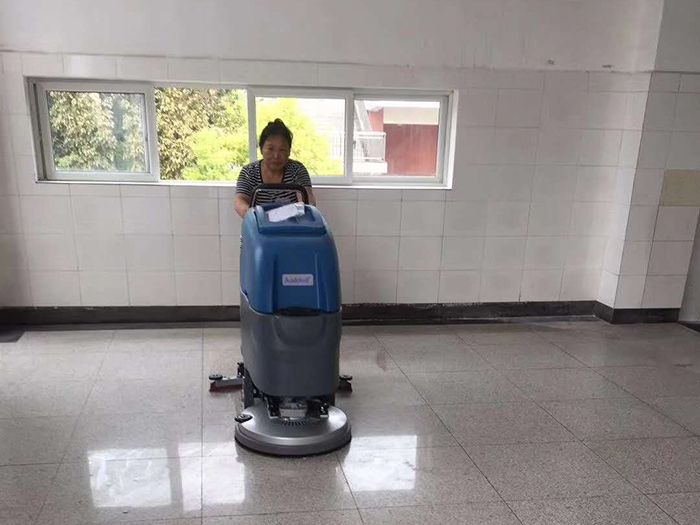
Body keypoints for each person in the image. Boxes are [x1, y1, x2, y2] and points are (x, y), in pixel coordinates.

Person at [234, 119, 316, 218]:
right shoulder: (249, 172)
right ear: (261, 149)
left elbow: (307, 200)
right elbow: (240, 201)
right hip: (259, 225)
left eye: (282, 150)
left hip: (292, 225)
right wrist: (253, 216)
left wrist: (305, 209)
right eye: (270, 149)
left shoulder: (297, 170)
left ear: (289, 151)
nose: (276, 156)